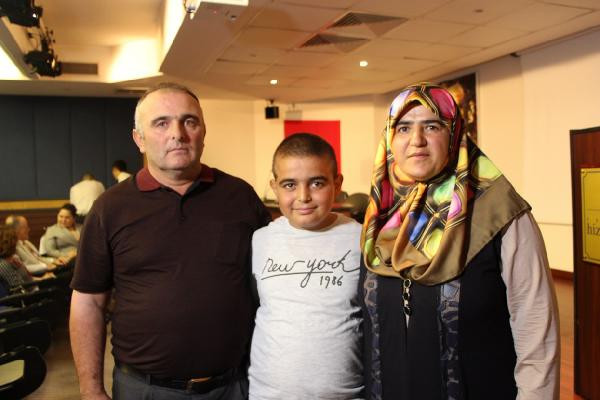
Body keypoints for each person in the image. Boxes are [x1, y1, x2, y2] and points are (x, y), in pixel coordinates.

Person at [69, 82, 271, 400]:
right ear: (139, 139)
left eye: (189, 121)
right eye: (161, 123)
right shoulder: (110, 208)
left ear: (203, 131)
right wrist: (90, 389)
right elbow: (88, 303)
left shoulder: (240, 197)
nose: (177, 133)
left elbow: (272, 286)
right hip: (143, 389)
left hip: (233, 386)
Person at [359, 83, 559, 399]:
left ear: (454, 134)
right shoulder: (379, 220)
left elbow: (536, 328)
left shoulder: (502, 216)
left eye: (432, 126)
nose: (416, 140)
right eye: (404, 128)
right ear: (389, 138)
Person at [249, 133, 363, 399]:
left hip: (345, 395)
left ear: (337, 183)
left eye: (317, 183)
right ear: (274, 187)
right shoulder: (260, 240)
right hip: (269, 395)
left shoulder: (361, 239)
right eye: (289, 184)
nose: (303, 196)